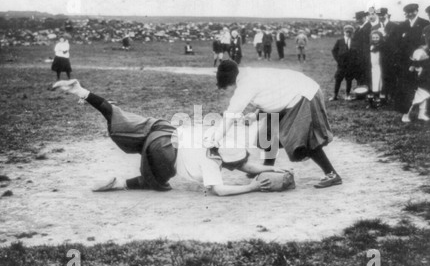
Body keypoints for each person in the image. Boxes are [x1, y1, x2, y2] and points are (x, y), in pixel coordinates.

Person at [49, 80, 292, 196]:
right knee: (156, 181)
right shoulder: (213, 162)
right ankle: (120, 183)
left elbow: (245, 163)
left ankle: (81, 90)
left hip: (165, 129)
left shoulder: (212, 136)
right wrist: (251, 186)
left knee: (119, 116)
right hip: (164, 152)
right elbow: (219, 189)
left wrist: (279, 172)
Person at [209, 60, 342, 189]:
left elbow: (230, 116)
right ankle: (267, 170)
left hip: (304, 95)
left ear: (230, 82)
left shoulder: (245, 84)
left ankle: (331, 174)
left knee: (301, 139)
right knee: (267, 133)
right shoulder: (246, 75)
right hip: (292, 94)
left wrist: (214, 141)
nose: (228, 91)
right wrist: (255, 115)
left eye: (226, 88)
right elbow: (272, 94)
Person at [396, 3, 430, 122]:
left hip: (421, 60)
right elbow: (399, 44)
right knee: (408, 88)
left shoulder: (425, 23)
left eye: (413, 11)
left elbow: (427, 43)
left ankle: (422, 113)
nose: (410, 14)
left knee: (423, 87)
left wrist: (420, 54)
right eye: (408, 12)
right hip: (406, 62)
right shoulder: (402, 25)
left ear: (417, 11)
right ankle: (406, 114)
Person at [376, 7, 400, 104]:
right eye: (379, 15)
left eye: (383, 14)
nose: (381, 17)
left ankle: (392, 96)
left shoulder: (394, 26)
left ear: (387, 14)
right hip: (379, 55)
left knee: (392, 76)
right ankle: (383, 96)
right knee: (382, 76)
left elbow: (397, 42)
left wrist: (385, 36)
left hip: (391, 55)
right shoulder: (375, 27)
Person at [331, 25, 358, 101]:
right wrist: (338, 60)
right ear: (344, 32)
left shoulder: (354, 42)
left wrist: (354, 61)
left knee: (349, 80)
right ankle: (335, 95)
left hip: (350, 65)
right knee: (338, 79)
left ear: (352, 33)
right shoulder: (339, 41)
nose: (348, 34)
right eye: (347, 32)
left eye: (350, 32)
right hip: (341, 65)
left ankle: (347, 94)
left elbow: (356, 53)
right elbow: (334, 51)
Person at [353, 11, 372, 87]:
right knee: (359, 72)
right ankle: (360, 91)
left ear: (365, 18)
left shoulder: (369, 27)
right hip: (358, 55)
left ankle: (367, 91)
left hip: (366, 55)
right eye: (357, 19)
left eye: (360, 19)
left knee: (366, 73)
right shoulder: (358, 28)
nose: (358, 21)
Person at [368, 30, 386, 108]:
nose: (375, 39)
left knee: (380, 84)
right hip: (372, 68)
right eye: (373, 37)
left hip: (380, 68)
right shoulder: (369, 46)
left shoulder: (383, 47)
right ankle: (371, 101)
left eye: (377, 37)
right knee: (372, 84)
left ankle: (382, 101)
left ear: (380, 38)